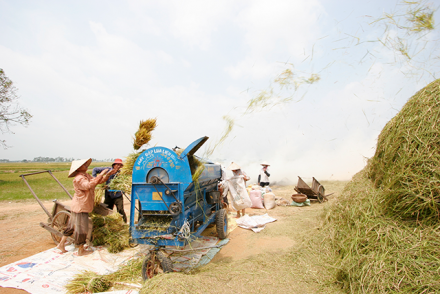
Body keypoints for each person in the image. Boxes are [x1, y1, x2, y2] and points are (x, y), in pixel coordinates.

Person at [57, 158, 110, 256]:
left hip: (82, 205)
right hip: (81, 206)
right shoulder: (79, 178)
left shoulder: (85, 175)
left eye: (86, 164)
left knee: (71, 226)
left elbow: (96, 181)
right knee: (82, 228)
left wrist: (107, 175)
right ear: (78, 168)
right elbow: (88, 185)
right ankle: (81, 250)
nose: (86, 165)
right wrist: (101, 173)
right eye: (84, 164)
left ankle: (61, 244)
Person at [92, 158, 127, 223]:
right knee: (107, 209)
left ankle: (124, 223)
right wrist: (94, 178)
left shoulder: (121, 174)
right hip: (108, 195)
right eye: (117, 165)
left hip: (117, 195)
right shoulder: (108, 170)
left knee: (120, 209)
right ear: (113, 165)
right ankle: (107, 223)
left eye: (120, 165)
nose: (118, 166)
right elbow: (95, 169)